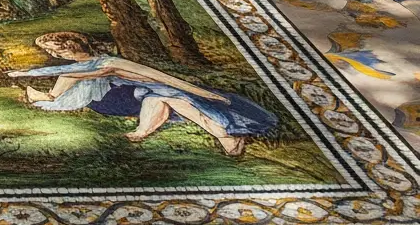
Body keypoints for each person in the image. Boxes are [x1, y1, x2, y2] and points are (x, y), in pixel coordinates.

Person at [17, 34, 278, 153]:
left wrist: (203, 92)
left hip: (134, 97)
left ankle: (224, 135)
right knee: (162, 96)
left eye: (57, 51)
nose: (54, 55)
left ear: (70, 48)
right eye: (53, 52)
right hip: (112, 103)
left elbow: (160, 77)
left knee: (166, 95)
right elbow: (55, 94)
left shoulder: (109, 62)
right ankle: (223, 134)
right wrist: (34, 90)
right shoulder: (71, 71)